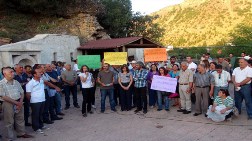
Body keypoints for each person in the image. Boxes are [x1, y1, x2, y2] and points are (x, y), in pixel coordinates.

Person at [0, 67, 33, 140]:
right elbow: (4, 96)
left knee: (20, 118)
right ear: (5, 74)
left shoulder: (16, 82)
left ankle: (21, 133)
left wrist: (20, 102)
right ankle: (10, 137)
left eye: (13, 72)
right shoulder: (1, 83)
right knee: (9, 121)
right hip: (8, 104)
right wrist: (17, 103)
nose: (13, 73)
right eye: (11, 72)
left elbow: (21, 92)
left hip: (19, 102)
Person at [26, 67, 46, 134]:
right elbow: (28, 94)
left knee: (40, 113)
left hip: (42, 99)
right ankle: (36, 128)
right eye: (39, 72)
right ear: (34, 74)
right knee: (35, 114)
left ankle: (41, 125)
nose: (41, 73)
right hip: (35, 101)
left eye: (41, 72)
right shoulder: (30, 83)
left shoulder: (41, 80)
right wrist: (32, 101)